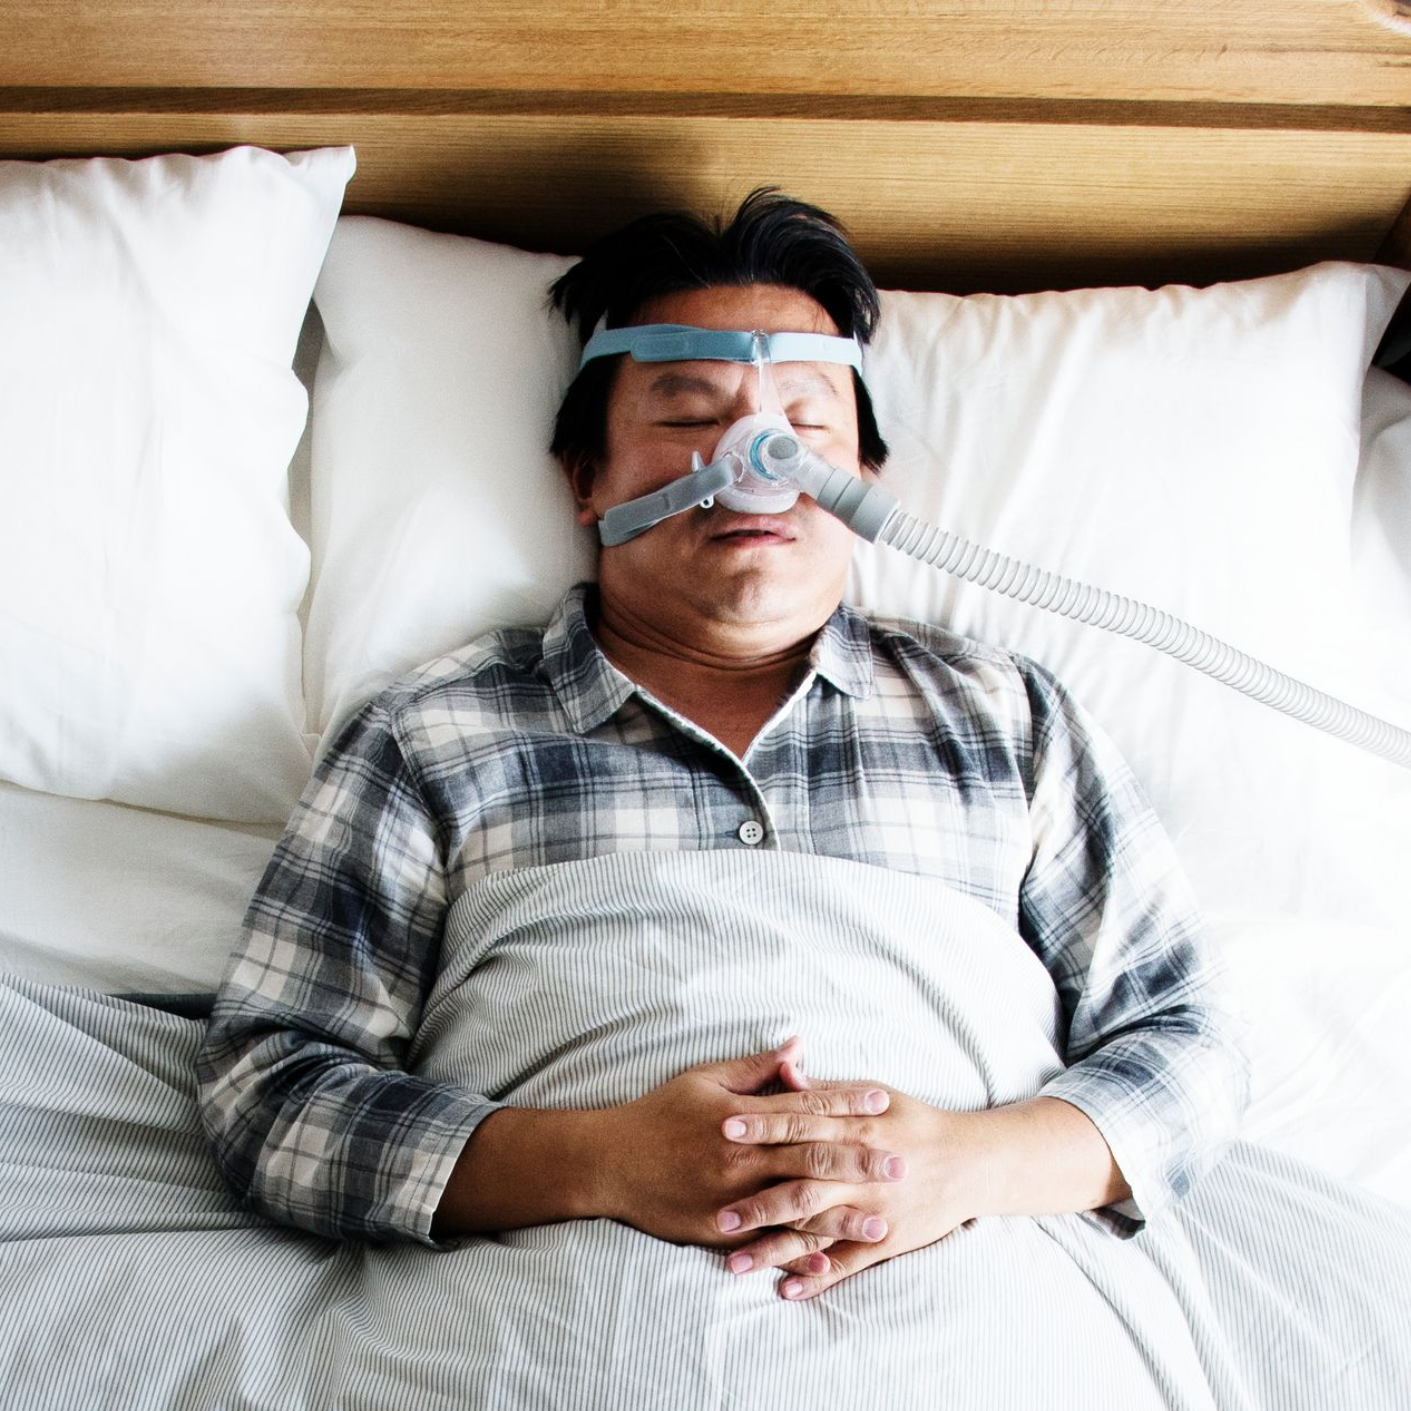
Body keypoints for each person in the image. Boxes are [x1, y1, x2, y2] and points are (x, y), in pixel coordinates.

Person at [196, 189, 1248, 1304]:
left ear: (867, 489)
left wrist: (957, 1166)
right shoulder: (433, 735)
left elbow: (1188, 1046)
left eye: (804, 420)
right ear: (585, 478)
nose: (756, 456)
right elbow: (269, 1089)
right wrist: (602, 1159)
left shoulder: (1004, 718)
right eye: (690, 412)